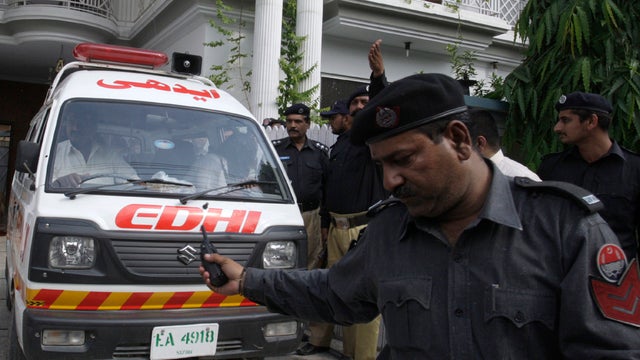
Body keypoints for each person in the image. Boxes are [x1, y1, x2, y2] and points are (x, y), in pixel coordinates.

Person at [201, 73, 640, 359]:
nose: (390, 180)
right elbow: (336, 292)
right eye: (381, 167)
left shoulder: (566, 228)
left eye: (405, 159)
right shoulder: (391, 230)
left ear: (459, 139)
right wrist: (249, 280)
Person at [538, 91, 640, 260]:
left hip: (615, 277)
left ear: (591, 121)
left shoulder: (634, 169)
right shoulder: (551, 168)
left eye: (566, 120)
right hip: (559, 275)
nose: (557, 128)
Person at [272, 103, 329, 270]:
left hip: (311, 216)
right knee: (281, 259)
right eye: (289, 121)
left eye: (297, 121)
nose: (292, 126)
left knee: (311, 259)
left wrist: (325, 223)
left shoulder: (319, 153)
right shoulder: (275, 149)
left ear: (308, 124)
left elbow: (327, 190)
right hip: (283, 215)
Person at [52, 107, 138, 187]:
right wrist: (59, 183)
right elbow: (42, 188)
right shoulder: (55, 153)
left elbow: (133, 181)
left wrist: (149, 185)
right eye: (71, 122)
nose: (75, 128)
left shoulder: (110, 155)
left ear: (92, 128)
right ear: (66, 125)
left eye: (81, 124)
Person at [469, 109, 540, 180]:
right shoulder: (468, 178)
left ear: (480, 143)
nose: (458, 154)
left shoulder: (524, 178)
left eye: (460, 144)